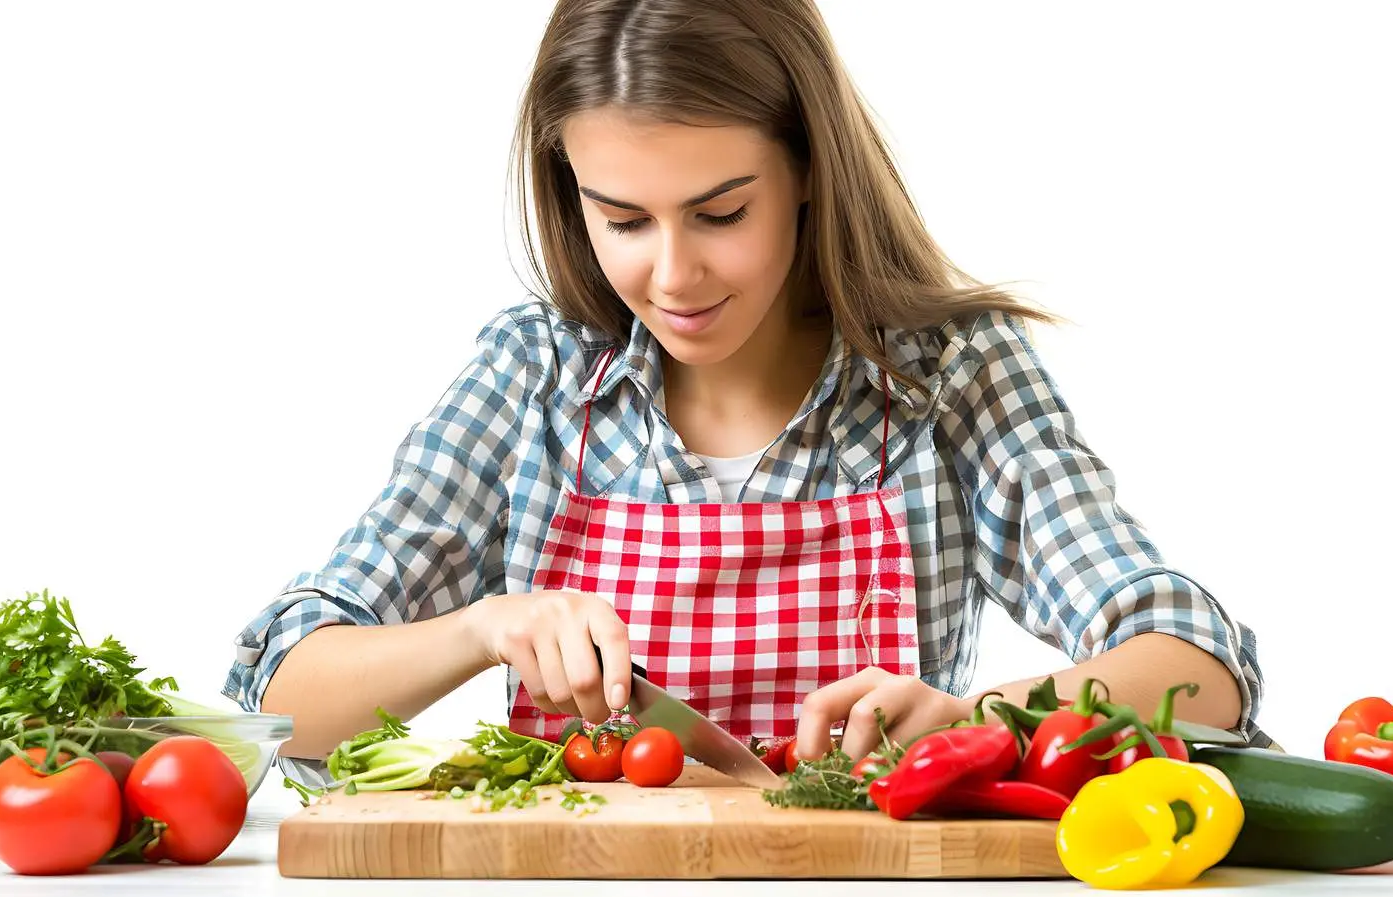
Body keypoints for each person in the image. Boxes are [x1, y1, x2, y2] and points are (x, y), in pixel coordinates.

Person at [224, 0, 1268, 777]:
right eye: (623, 219)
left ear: (808, 167)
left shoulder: (949, 375)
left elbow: (1196, 661)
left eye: (720, 213)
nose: (672, 277)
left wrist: (983, 715)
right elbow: (282, 699)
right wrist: (478, 626)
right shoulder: (532, 377)